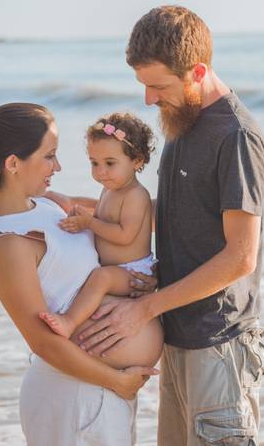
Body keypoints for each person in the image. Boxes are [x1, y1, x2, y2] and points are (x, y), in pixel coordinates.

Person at [77, 6, 264, 445]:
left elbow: (241, 256)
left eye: (158, 86)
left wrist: (143, 309)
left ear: (197, 71)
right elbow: (179, 213)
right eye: (143, 85)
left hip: (218, 346)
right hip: (177, 334)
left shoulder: (236, 136)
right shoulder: (182, 120)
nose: (148, 99)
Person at [0, 102, 160, 445]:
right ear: (13, 164)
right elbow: (42, 341)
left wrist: (142, 278)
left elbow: (126, 217)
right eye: (49, 156)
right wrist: (116, 382)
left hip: (98, 394)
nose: (58, 166)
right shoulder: (9, 243)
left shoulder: (49, 204)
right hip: (75, 396)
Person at [40, 113, 161, 350]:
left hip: (133, 271)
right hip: (117, 268)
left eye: (109, 163)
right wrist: (73, 210)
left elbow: (125, 235)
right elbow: (101, 215)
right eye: (94, 163)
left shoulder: (136, 196)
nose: (100, 172)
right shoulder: (110, 190)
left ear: (136, 161)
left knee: (101, 278)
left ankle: (69, 321)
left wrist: (89, 224)